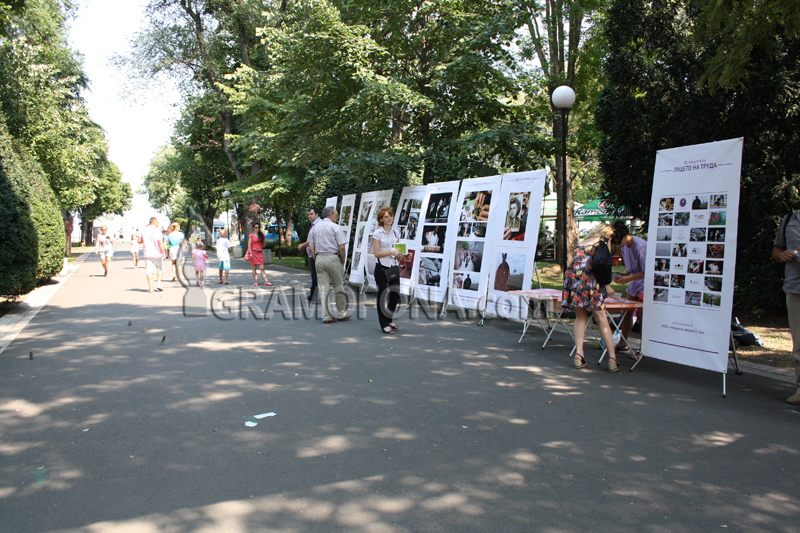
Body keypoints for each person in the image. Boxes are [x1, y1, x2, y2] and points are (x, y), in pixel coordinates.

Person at [562, 224, 619, 371]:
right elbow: (603, 264)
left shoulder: (581, 243)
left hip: (574, 280)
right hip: (590, 280)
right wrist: (606, 285)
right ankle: (612, 358)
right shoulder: (604, 241)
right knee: (602, 319)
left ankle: (579, 354)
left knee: (580, 317)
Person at [774, 213, 800, 404]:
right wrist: (783, 255)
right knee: (799, 344)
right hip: (795, 289)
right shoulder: (789, 219)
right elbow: (776, 250)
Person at [309, 206, 351, 324]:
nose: (337, 217)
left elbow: (311, 247)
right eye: (336, 215)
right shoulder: (336, 227)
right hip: (333, 258)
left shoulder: (315, 228)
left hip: (320, 258)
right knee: (338, 286)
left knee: (323, 289)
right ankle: (341, 313)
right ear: (331, 215)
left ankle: (327, 316)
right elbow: (341, 247)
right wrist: (343, 260)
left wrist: (316, 258)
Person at [611, 220, 647, 358]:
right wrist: (623, 275)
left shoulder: (640, 247)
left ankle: (643, 348)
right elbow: (630, 267)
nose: (617, 245)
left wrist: (627, 278)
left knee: (641, 315)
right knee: (627, 312)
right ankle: (622, 342)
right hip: (634, 281)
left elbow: (646, 271)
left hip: (645, 282)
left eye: (618, 242)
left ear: (625, 236)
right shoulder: (624, 247)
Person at [372, 206, 402, 334]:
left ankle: (389, 318)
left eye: (390, 215)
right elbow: (377, 253)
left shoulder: (396, 233)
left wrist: (402, 255)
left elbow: (399, 253)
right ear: (381, 219)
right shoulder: (377, 234)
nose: (389, 218)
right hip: (381, 267)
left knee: (395, 295)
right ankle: (383, 323)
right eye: (386, 216)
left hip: (393, 267)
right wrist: (391, 252)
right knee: (382, 295)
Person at [297, 208, 321, 302]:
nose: (309, 216)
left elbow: (313, 240)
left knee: (316, 276)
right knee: (314, 275)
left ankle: (315, 296)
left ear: (316, 214)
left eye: (311, 214)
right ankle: (313, 295)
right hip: (312, 254)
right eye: (308, 214)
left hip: (316, 254)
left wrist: (302, 245)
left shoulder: (318, 225)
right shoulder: (314, 225)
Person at [140, 217, 165, 292]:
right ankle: (158, 284)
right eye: (158, 223)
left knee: (149, 270)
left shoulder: (144, 230)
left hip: (147, 253)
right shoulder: (157, 231)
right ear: (154, 222)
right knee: (160, 268)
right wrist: (163, 253)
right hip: (157, 253)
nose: (158, 224)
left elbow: (139, 240)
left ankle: (150, 288)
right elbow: (160, 242)